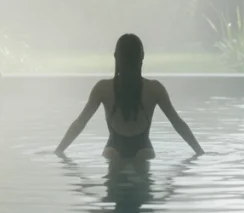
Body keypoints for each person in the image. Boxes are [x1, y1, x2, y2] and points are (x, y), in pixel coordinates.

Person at [54, 33, 204, 159]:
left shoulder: (102, 88)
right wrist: (199, 152)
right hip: (144, 150)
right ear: (142, 57)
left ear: (115, 56)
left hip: (113, 150)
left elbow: (80, 123)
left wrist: (59, 151)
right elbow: (177, 123)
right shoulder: (155, 89)